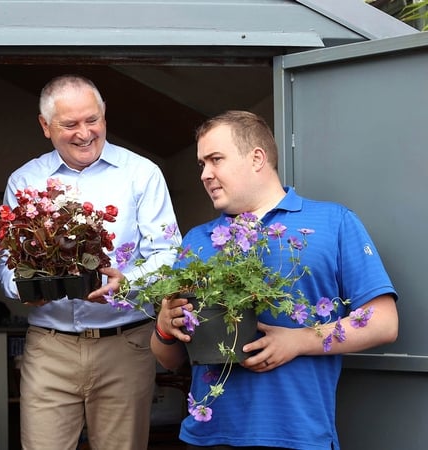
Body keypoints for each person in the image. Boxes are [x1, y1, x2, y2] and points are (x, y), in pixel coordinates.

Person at [151, 110, 398, 449]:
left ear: (257, 158)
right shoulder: (198, 240)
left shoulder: (333, 222)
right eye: (201, 164)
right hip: (210, 435)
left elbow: (384, 323)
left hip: (298, 435)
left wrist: (298, 341)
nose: (205, 174)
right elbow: (169, 359)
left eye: (216, 160)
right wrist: (165, 326)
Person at [0, 74, 180, 450]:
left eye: (92, 120)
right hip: (50, 348)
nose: (85, 133)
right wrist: (26, 289)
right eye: (70, 124)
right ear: (45, 126)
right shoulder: (25, 180)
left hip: (126, 344)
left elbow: (168, 252)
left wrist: (126, 280)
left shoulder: (141, 173)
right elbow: (6, 263)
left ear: (105, 117)